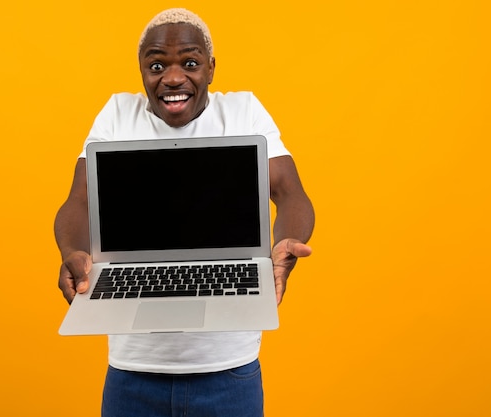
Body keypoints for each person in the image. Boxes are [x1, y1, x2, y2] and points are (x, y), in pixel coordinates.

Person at [55, 8, 315, 417]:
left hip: (228, 371)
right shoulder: (118, 114)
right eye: (157, 65)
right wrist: (71, 250)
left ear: (211, 68)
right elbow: (80, 199)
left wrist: (282, 246)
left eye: (189, 63)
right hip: (133, 373)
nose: (173, 78)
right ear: (141, 70)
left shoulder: (243, 111)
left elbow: (290, 192)